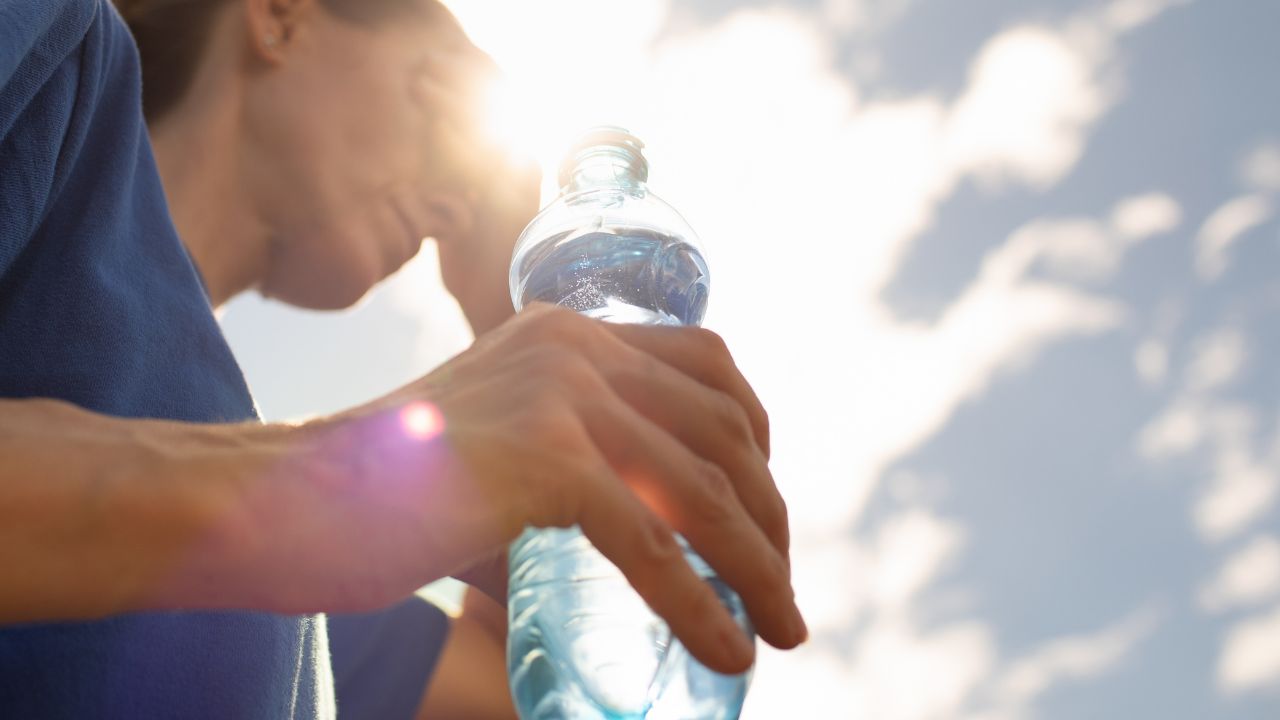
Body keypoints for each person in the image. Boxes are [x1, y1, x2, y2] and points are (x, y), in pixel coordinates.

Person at [0, 1, 807, 719]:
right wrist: (312, 481)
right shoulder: (60, 47)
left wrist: (513, 312)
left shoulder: (290, 594)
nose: (460, 195)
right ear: (281, 15)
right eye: (444, 106)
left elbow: (548, 691)